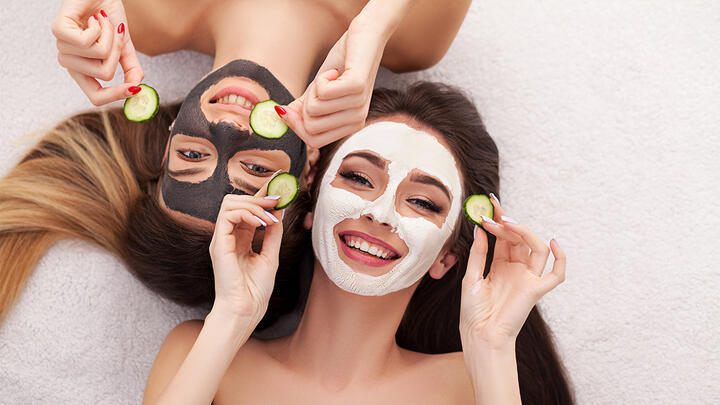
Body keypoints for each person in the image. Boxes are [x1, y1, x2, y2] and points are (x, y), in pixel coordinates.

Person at [0, 0, 471, 323]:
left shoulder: (142, 14)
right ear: (308, 171)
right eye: (256, 171)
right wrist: (376, 21)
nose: (228, 129)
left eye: (191, 155)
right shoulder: (413, 38)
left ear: (166, 144)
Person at [144, 83, 575, 404]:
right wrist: (233, 317)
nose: (380, 213)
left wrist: (492, 347)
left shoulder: (474, 385)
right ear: (311, 202)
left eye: (423, 202)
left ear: (446, 257)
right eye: (358, 178)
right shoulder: (201, 353)